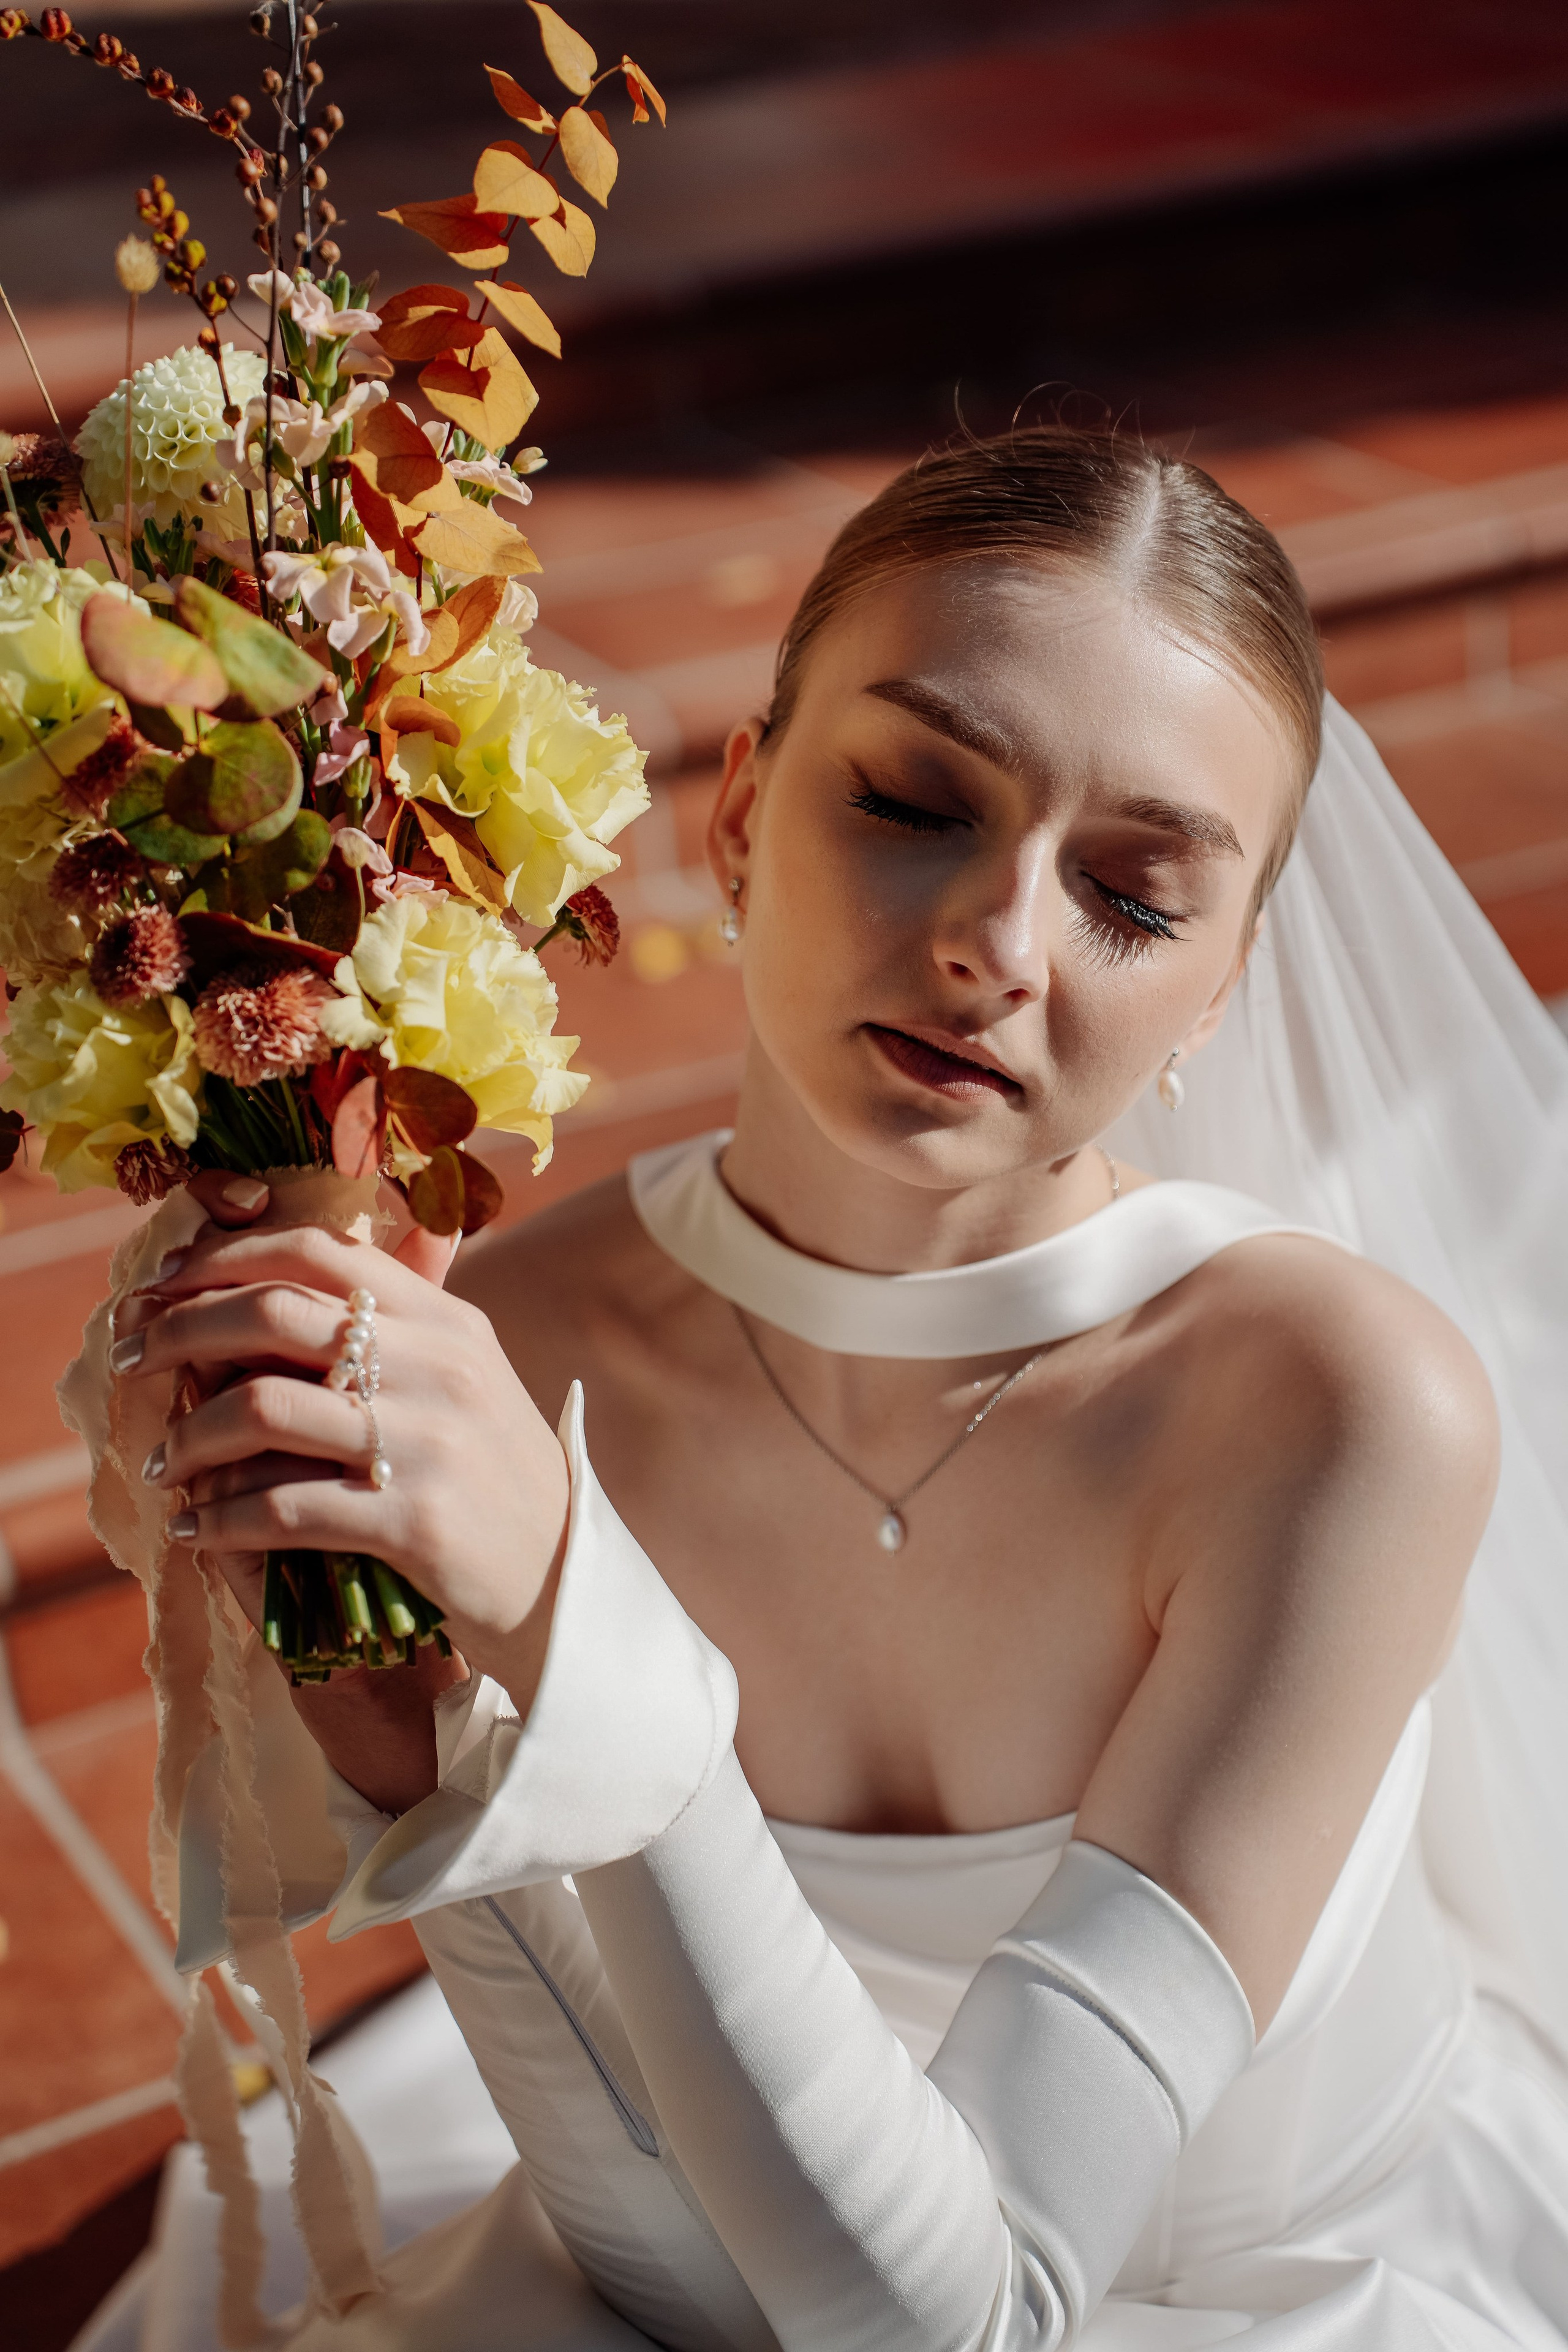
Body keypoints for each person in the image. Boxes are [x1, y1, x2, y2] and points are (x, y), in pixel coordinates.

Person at [106, 429, 1568, 2350]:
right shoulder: (510, 1354)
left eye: (1134, 896)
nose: (998, 943)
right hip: (691, 2237)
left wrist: (572, 1616)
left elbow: (979, 2316)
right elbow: (658, 2234)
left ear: (1224, 989)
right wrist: (395, 1733)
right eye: (910, 799)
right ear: (737, 809)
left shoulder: (1340, 1413)